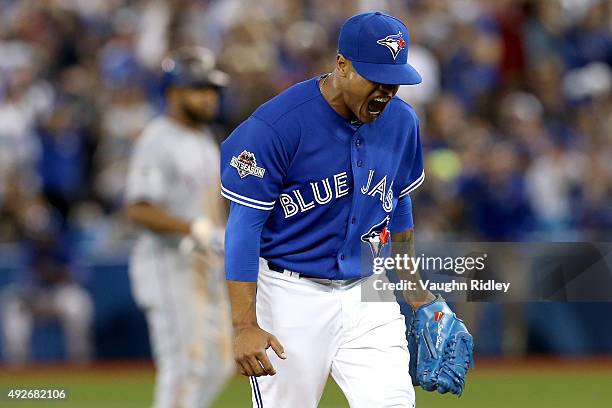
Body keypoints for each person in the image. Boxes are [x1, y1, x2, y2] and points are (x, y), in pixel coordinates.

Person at [221, 12, 472, 408]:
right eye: (376, 79)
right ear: (342, 65)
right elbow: (243, 229)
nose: (387, 91)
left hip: (369, 290)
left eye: (395, 81)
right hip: (291, 294)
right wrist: (245, 325)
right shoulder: (275, 127)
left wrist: (417, 292)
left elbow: (398, 205)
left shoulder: (402, 122)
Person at [125, 47, 233, 408]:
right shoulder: (159, 138)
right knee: (186, 365)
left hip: (204, 267)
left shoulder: (203, 139)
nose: (209, 97)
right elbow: (137, 209)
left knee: (219, 364)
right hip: (168, 266)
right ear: (173, 92)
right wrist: (193, 227)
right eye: (199, 88)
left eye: (212, 89)